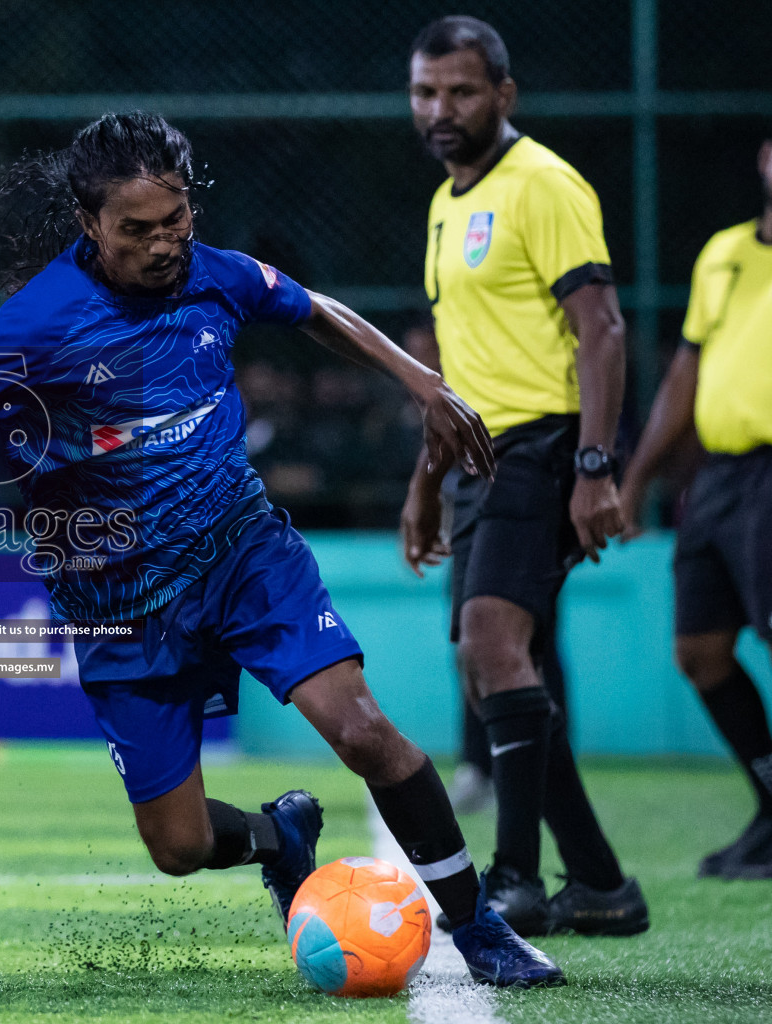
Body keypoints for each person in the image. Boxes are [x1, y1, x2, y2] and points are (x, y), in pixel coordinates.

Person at [0, 111, 564, 988]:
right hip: (118, 605)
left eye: (175, 220)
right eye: (136, 230)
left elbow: (314, 309)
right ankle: (278, 837)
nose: (162, 245)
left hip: (242, 553)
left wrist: (424, 385)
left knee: (364, 730)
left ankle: (480, 926)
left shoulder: (216, 275)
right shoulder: (38, 325)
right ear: (89, 226)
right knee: (177, 847)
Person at [398, 16, 648, 937]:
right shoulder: (445, 204)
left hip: (543, 446)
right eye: (426, 92)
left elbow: (604, 328)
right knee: (494, 671)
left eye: (461, 91)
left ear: (504, 95)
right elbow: (459, 372)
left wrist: (596, 465)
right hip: (478, 458)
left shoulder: (542, 183)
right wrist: (426, 483)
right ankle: (602, 883)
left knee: (493, 650)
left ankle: (515, 880)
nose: (441, 110)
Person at [617, 137, 772, 880]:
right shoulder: (725, 253)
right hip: (718, 477)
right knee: (700, 650)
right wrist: (638, 475)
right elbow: (688, 369)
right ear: (764, 159)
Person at [400, 317, 571, 816]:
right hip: (473, 518)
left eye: (423, 350)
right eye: (411, 352)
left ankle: (533, 766)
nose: (418, 363)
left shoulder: (481, 380)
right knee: (480, 650)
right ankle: (489, 764)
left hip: (514, 499)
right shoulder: (437, 395)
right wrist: (426, 500)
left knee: (510, 647)